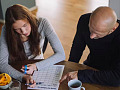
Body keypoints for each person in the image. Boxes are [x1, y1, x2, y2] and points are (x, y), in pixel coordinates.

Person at [0, 4, 65, 87]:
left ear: (29, 19)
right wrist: (22, 76)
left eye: (25, 25)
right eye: (17, 29)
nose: (23, 31)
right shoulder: (6, 30)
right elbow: (2, 64)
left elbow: (61, 54)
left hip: (39, 66)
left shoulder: (43, 23)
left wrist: (36, 66)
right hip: (14, 69)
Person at [60, 6, 120, 86]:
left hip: (110, 76)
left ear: (112, 30)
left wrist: (80, 75)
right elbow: (77, 47)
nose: (91, 36)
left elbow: (117, 78)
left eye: (97, 34)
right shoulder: (84, 19)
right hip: (90, 66)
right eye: (90, 29)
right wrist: (71, 68)